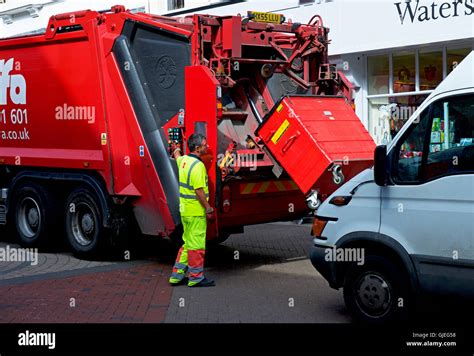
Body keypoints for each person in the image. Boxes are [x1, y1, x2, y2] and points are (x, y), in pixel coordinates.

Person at [169, 133, 216, 287]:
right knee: (196, 245)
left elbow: (177, 156)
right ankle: (195, 277)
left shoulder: (184, 161)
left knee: (187, 243)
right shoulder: (198, 166)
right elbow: (199, 191)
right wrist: (208, 209)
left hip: (185, 211)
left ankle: (176, 275)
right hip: (196, 212)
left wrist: (175, 149)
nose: (206, 146)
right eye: (204, 144)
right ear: (197, 148)